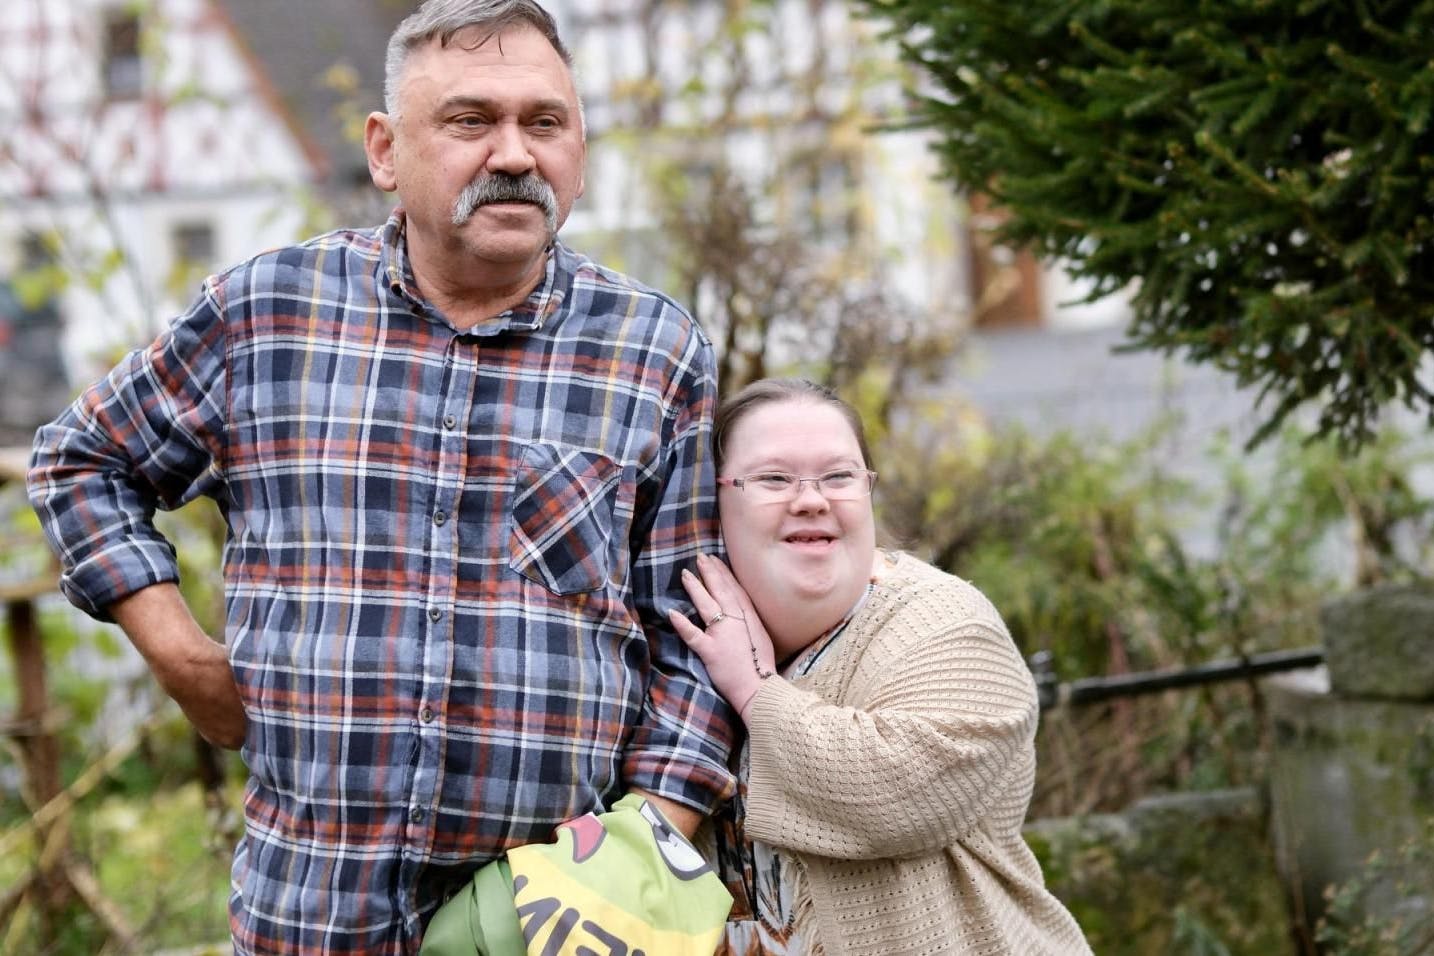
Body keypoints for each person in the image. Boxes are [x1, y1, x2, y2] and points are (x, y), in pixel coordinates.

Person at [26, 2, 736, 953]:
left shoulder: (653, 349)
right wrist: (184, 657)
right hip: (312, 910)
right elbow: (83, 461)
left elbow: (695, 622)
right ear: (386, 151)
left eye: (546, 122)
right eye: (471, 122)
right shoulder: (266, 315)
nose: (515, 155)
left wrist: (640, 857)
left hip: (549, 919)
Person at [668, 378, 1091, 955]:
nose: (811, 498)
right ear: (714, 499)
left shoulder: (945, 623)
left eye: (838, 476)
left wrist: (754, 689)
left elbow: (898, 800)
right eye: (773, 478)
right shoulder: (677, 633)